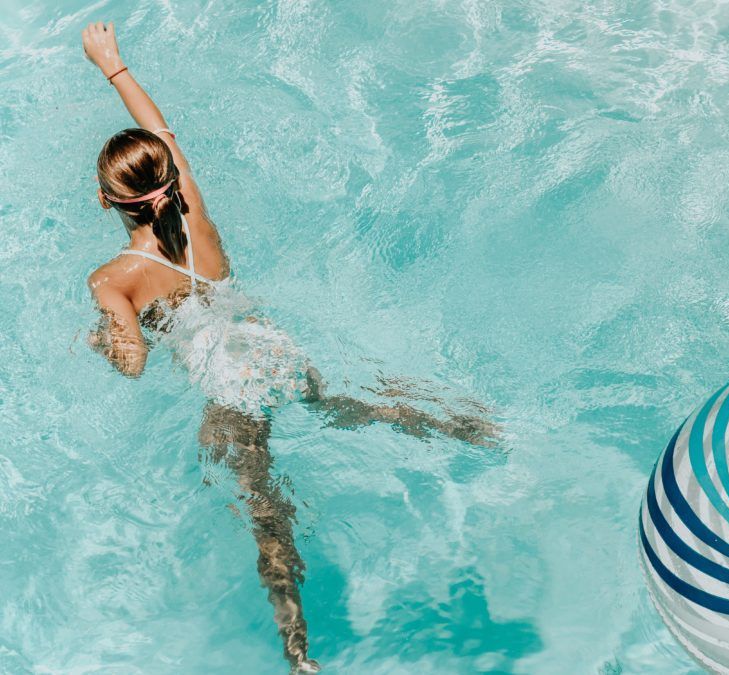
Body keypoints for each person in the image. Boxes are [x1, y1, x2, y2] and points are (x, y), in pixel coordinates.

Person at [80, 21, 498, 673]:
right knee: (341, 403)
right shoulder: (188, 206)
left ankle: (299, 647)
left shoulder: (112, 280)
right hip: (270, 345)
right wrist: (112, 63)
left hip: (228, 387)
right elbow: (164, 134)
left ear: (106, 200)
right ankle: (466, 426)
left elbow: (132, 363)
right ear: (166, 181)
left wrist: (105, 339)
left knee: (264, 510)